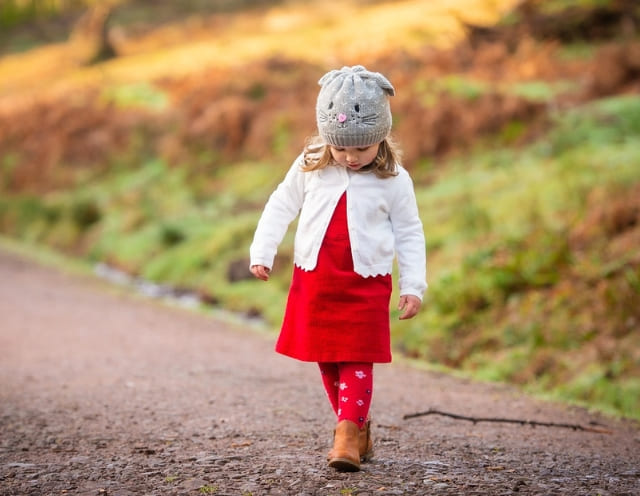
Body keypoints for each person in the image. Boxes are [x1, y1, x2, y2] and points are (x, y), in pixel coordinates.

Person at [249, 65, 427, 472]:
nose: (349, 157)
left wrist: (413, 284)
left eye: (360, 149)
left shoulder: (394, 180)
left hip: (366, 281)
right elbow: (281, 204)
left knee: (357, 353)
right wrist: (263, 250)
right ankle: (357, 427)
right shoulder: (312, 162)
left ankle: (346, 432)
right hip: (317, 276)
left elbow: (410, 232)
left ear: (380, 137)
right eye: (341, 148)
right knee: (327, 356)